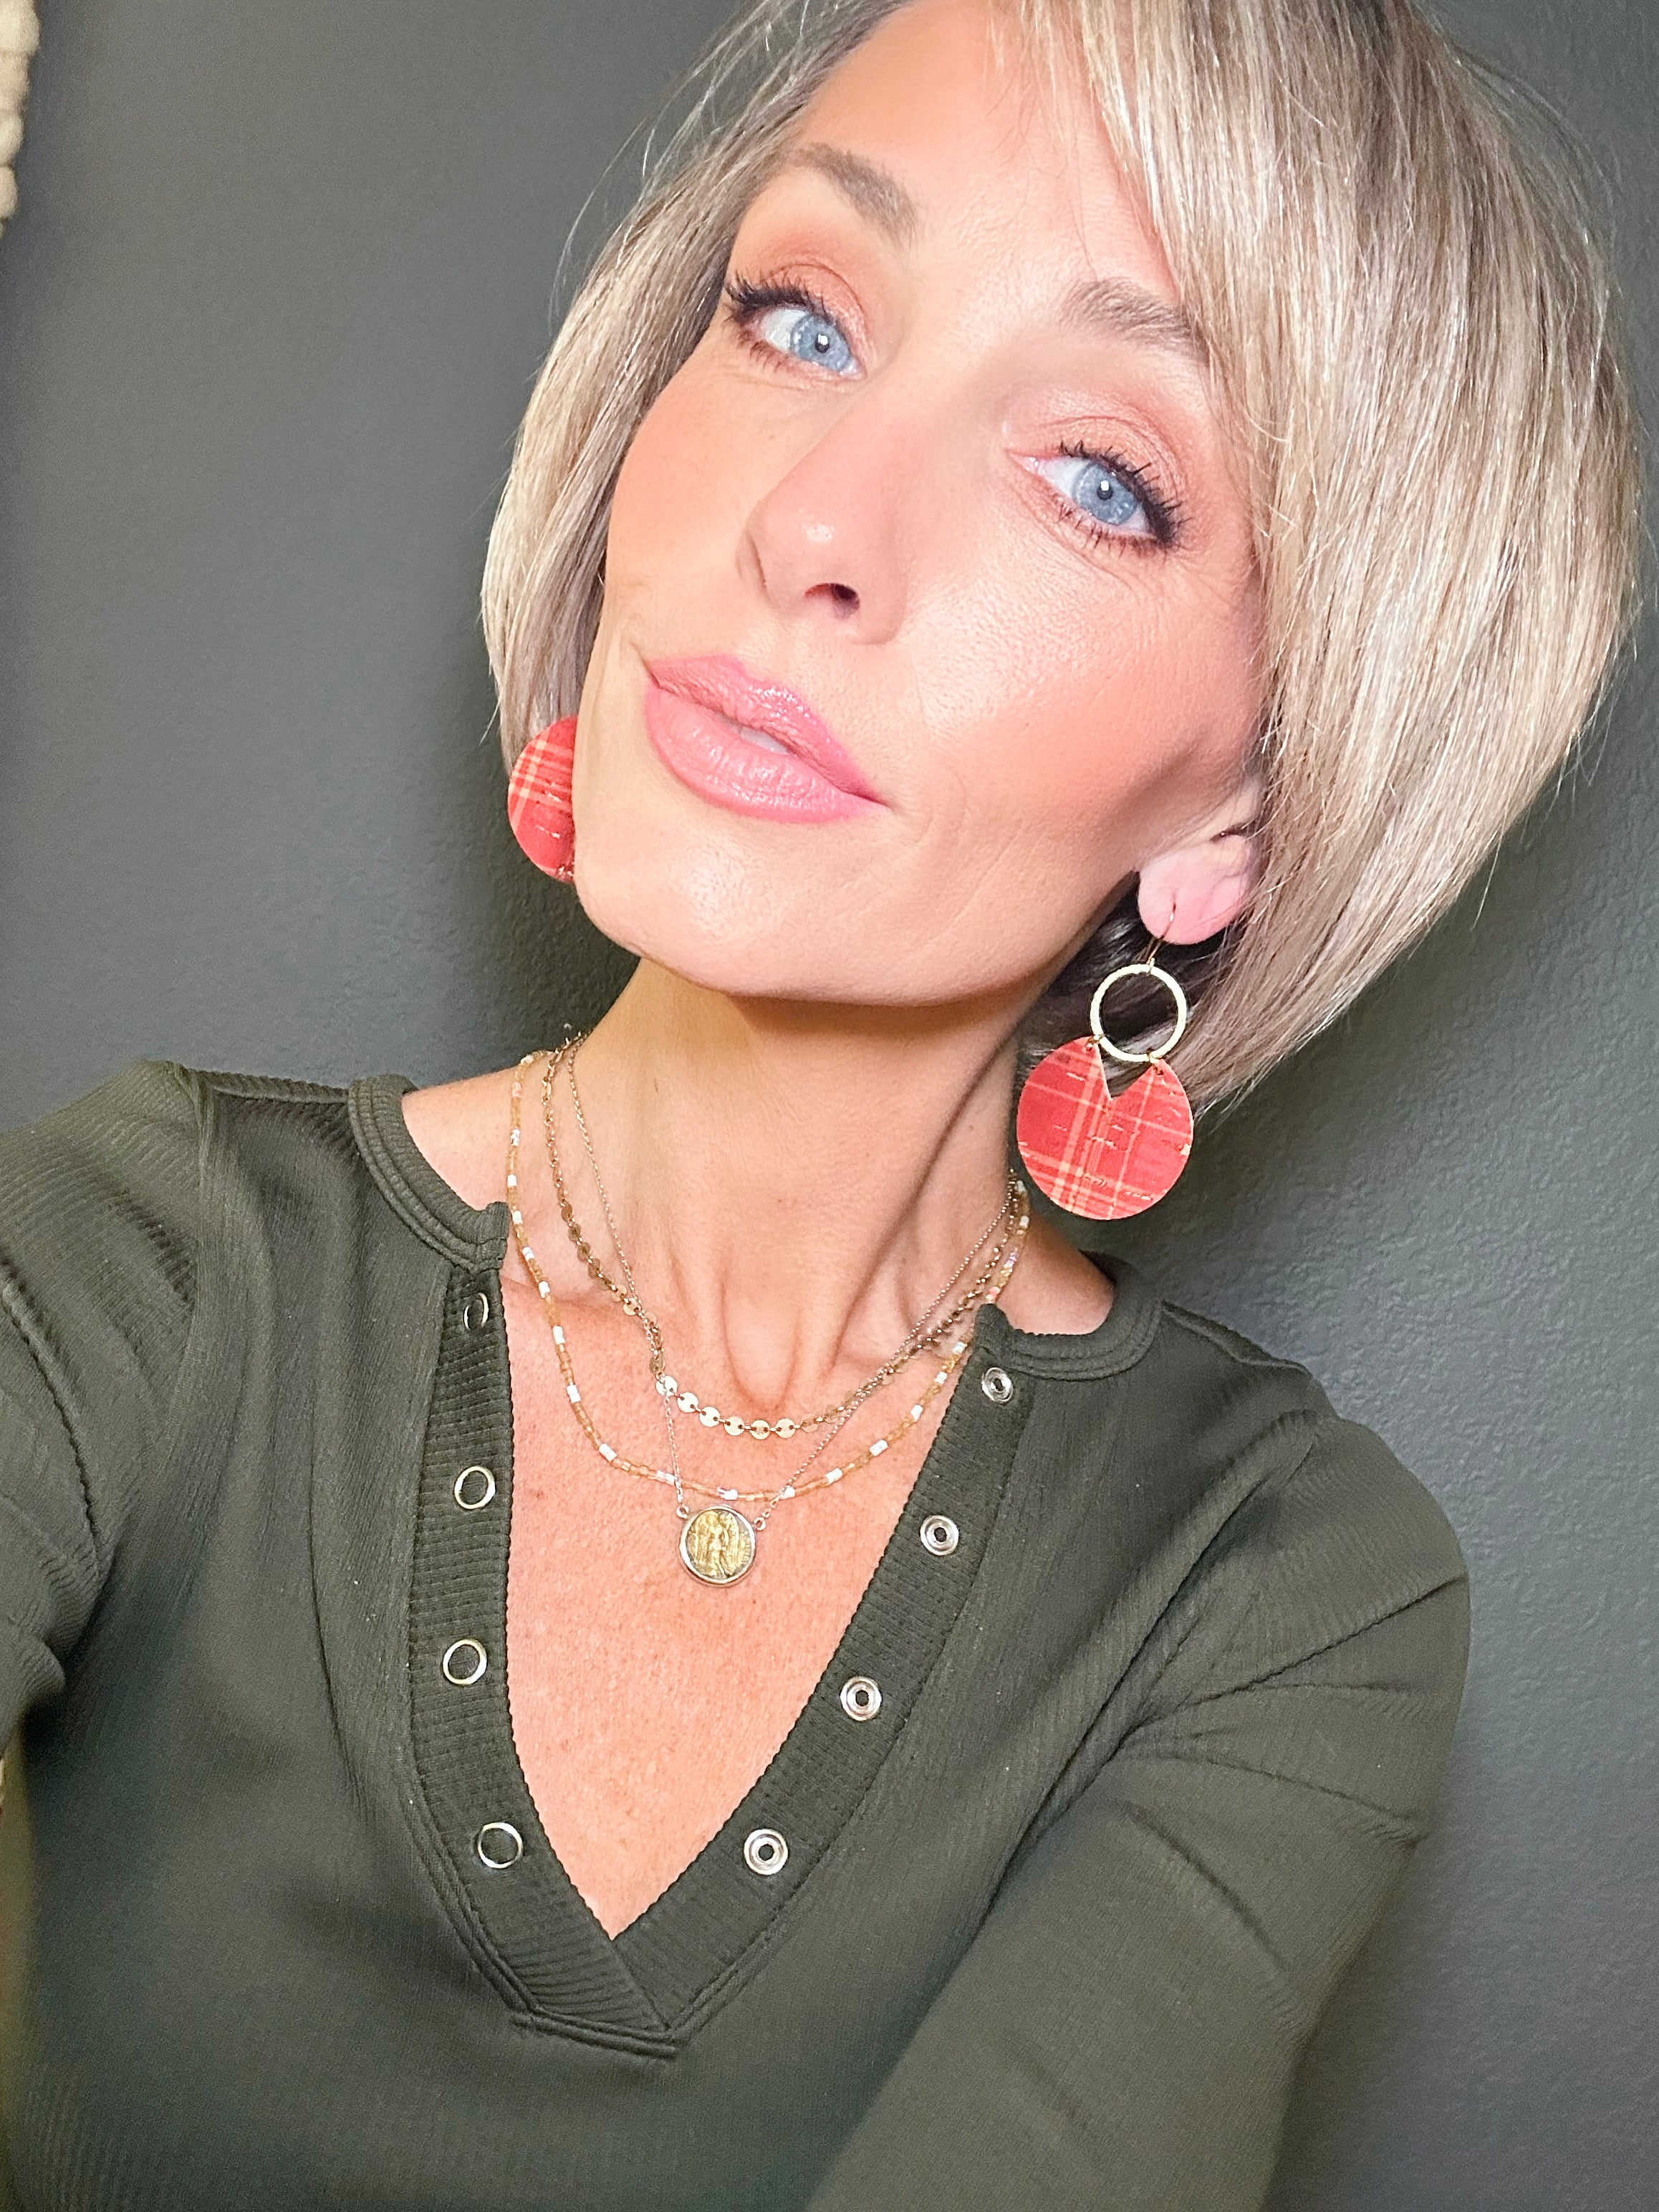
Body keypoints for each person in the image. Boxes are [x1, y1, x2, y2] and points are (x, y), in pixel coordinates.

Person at [0, 0, 1640, 2204]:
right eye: (796, 318)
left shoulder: (1271, 1589)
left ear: (1241, 812)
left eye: (1098, 479)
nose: (813, 519)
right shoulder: (141, 1264)